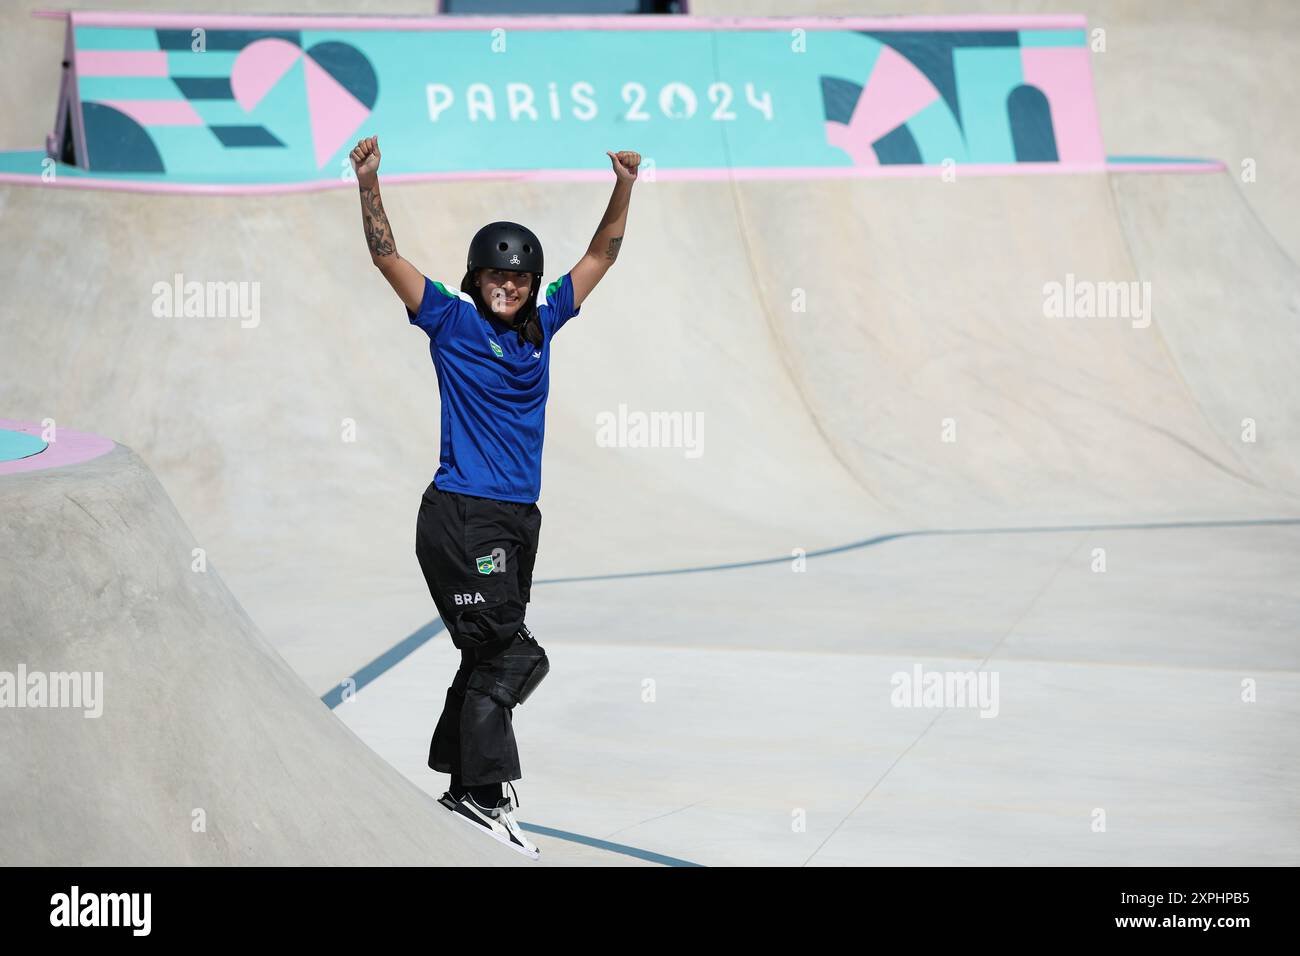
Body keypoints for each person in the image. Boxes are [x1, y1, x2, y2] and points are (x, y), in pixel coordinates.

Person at [349, 135, 639, 859]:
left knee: (486, 652)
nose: (506, 289)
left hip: (514, 520)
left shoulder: (546, 324)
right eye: (494, 278)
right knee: (511, 655)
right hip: (460, 516)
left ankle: (456, 779)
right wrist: (370, 182)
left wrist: (626, 184)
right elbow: (388, 257)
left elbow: (601, 255)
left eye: (518, 280)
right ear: (476, 279)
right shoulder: (450, 321)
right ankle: (482, 794)